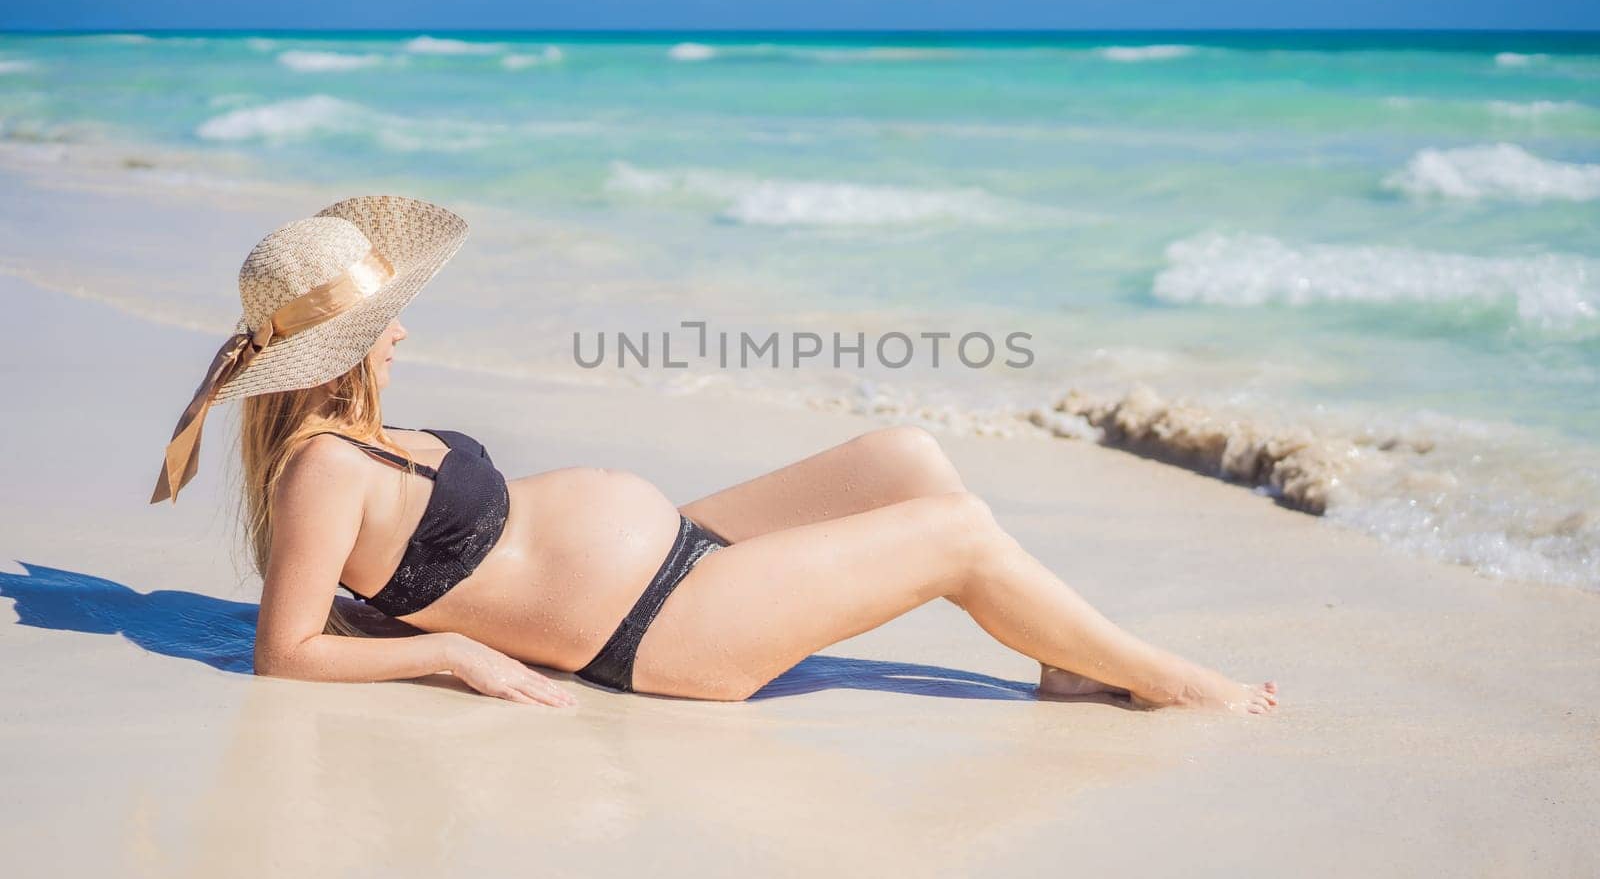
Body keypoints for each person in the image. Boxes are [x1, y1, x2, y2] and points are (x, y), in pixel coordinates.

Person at [150, 194, 1278, 714]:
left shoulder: (361, 439)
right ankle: (1163, 674)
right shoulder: (322, 467)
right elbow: (284, 650)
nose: (403, 326)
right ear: (339, 344)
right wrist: (456, 657)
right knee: (955, 535)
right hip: (663, 633)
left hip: (679, 554)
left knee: (902, 453)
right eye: (385, 315)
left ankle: (1065, 662)